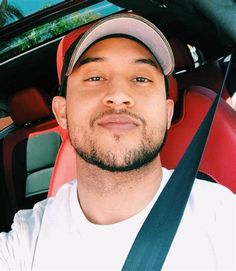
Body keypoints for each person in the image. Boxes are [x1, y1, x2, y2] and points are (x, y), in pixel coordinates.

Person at [0, 13, 235, 270]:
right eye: (95, 78)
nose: (119, 95)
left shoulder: (222, 218)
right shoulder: (28, 237)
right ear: (62, 113)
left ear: (167, 113)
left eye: (141, 78)